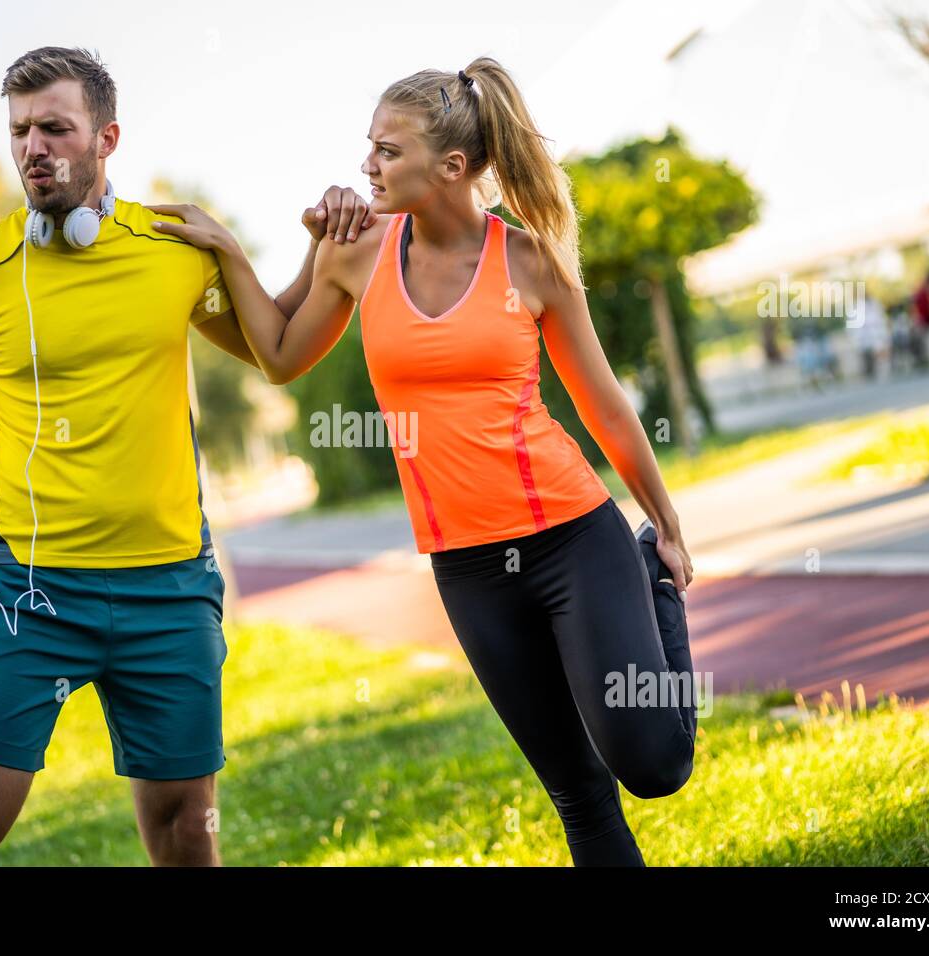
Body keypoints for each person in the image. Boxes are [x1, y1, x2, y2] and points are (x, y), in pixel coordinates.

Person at [153, 57, 697, 866]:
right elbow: (275, 353)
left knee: (652, 765)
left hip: (575, 538)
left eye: (386, 152)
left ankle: (651, 587)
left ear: (450, 168)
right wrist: (232, 251)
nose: (366, 166)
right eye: (366, 148)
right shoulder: (354, 252)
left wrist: (668, 527)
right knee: (578, 798)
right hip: (467, 569)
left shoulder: (530, 260)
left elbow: (604, 404)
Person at [0, 46, 375, 864]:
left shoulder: (174, 249)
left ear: (107, 138)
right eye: (20, 131)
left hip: (169, 587)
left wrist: (329, 245)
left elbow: (279, 341)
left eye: (55, 128)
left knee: (185, 832)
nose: (34, 147)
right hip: (29, 585)